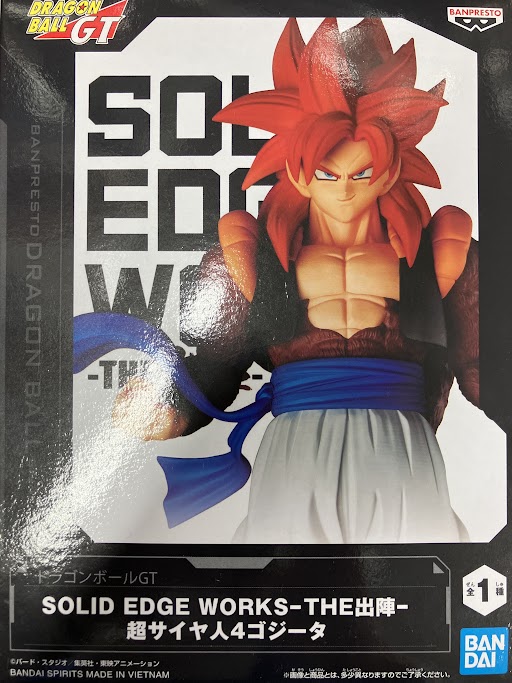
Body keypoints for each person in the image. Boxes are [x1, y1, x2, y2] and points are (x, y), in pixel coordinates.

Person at [88, 18, 479, 543]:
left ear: (389, 170)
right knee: (287, 573)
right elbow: (219, 360)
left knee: (415, 573)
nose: (344, 189)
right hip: (298, 441)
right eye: (327, 173)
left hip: (401, 441)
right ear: (297, 172)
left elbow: (481, 361)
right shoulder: (257, 257)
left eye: (362, 173)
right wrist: (171, 403)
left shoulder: (439, 252)